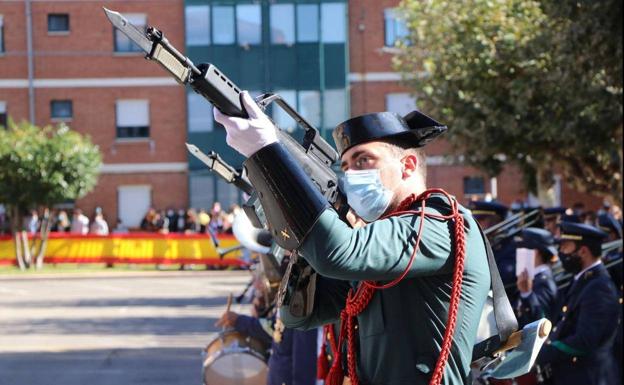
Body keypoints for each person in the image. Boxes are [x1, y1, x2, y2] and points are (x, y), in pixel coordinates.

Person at [214, 92, 491, 385]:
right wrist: (313, 226)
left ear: (407, 166)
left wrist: (267, 150)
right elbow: (300, 316)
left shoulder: (441, 222)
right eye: (345, 167)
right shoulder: (374, 244)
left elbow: (338, 253)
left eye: (364, 160)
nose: (352, 176)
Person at [535, 221, 619, 385]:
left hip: (589, 376)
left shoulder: (599, 287)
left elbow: (585, 340)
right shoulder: (583, 279)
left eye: (565, 247)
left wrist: (546, 351)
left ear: (583, 251)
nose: (561, 252)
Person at [514, 227, 558, 326]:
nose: (519, 252)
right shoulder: (534, 277)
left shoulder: (544, 282)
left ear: (535, 252)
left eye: (522, 248)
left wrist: (527, 294)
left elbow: (540, 321)